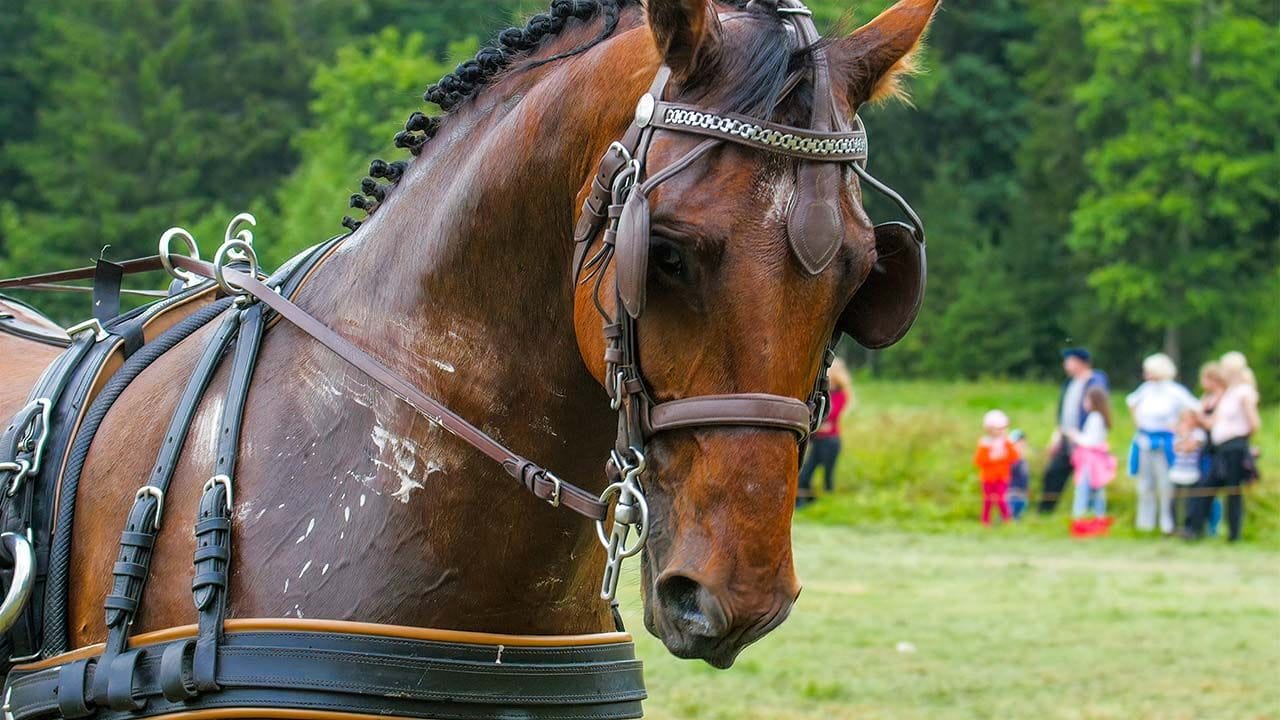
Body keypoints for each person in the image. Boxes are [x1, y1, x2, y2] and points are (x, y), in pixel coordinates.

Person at [1186, 352, 1261, 541]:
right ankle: (1195, 529)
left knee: (1233, 491)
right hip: (1221, 448)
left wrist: (1241, 441)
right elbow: (1214, 423)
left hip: (1235, 447)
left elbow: (1254, 422)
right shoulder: (1229, 392)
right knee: (1207, 487)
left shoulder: (1244, 392)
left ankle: (1233, 535)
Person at [1125, 353, 1200, 534]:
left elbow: (1194, 407)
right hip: (1145, 440)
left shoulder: (1174, 390)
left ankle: (1167, 523)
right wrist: (1137, 421)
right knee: (1145, 484)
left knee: (1165, 484)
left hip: (1166, 443)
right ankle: (1145, 525)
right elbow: (1131, 401)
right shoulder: (1146, 389)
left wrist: (1179, 426)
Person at [1039, 348, 1109, 514]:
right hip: (1067, 437)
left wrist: (1083, 437)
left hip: (1085, 441)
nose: (1066, 365)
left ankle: (1089, 516)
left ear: (1080, 362)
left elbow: (1098, 409)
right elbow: (1063, 413)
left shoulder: (1096, 381)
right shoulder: (1070, 383)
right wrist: (1057, 435)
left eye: (1069, 361)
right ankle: (1045, 512)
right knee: (1053, 473)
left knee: (1088, 482)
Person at [796, 358, 853, 507]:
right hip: (818, 440)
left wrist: (818, 423)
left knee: (828, 476)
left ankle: (829, 504)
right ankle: (804, 502)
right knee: (805, 474)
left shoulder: (839, 395)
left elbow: (830, 416)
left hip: (830, 442)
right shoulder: (821, 394)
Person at [1068, 387, 1115, 521]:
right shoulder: (1100, 417)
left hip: (1090, 460)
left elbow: (1090, 441)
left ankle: (1079, 518)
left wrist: (1075, 435)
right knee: (1097, 490)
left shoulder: (1095, 417)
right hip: (1096, 459)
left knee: (1083, 489)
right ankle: (1098, 518)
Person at [973, 410, 1019, 525]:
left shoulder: (1006, 442)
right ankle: (985, 521)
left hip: (1002, 477)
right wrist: (992, 458)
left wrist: (1002, 456)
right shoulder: (985, 443)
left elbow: (1014, 457)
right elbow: (978, 461)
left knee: (1001, 498)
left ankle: (1007, 519)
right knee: (987, 500)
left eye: (1002, 428)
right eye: (998, 428)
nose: (1000, 431)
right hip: (987, 477)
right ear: (989, 429)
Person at [1170, 408, 1208, 530]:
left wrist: (1185, 434)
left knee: (1190, 502)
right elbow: (1176, 448)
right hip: (1178, 472)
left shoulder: (1199, 434)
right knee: (1175, 501)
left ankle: (1189, 527)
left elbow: (1188, 448)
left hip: (1192, 473)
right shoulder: (1177, 435)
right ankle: (1175, 526)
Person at [1007, 429, 1031, 520]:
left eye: (1023, 441)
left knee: (1018, 517)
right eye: (1018, 442)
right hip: (1012, 494)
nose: (1021, 444)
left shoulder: (1023, 460)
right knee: (1009, 516)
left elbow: (1025, 477)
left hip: (1022, 494)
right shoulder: (1010, 459)